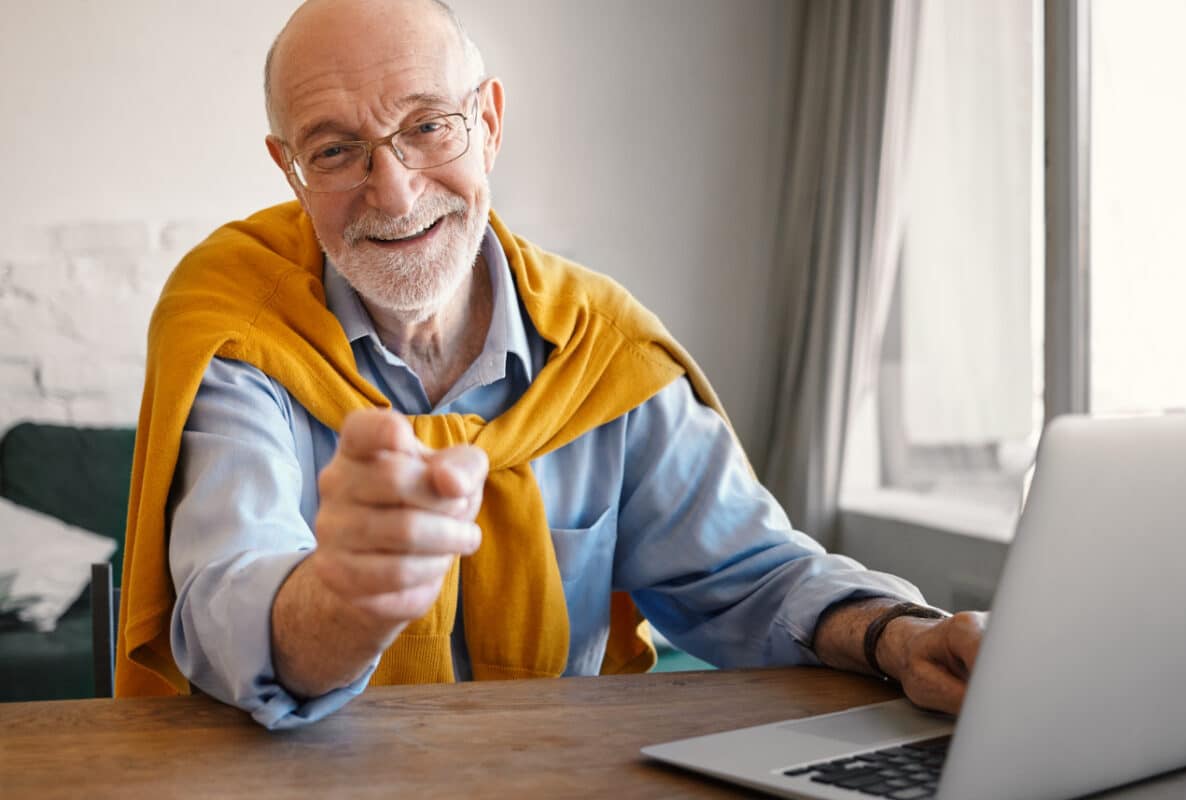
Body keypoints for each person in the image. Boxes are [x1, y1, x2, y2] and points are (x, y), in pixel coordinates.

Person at [116, 0, 986, 730]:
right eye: (336, 149)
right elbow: (222, 597)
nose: (394, 190)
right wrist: (340, 600)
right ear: (290, 170)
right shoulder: (236, 322)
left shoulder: (600, 343)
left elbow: (750, 577)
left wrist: (901, 639)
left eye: (426, 126)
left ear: (488, 123)